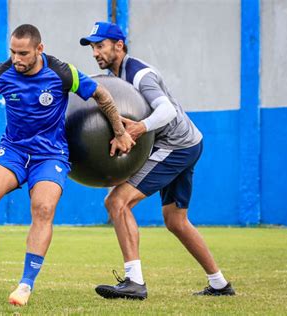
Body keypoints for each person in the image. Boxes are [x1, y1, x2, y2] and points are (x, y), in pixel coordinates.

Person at [0, 24, 135, 306]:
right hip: (13, 150)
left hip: (50, 154)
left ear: (39, 49)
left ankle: (25, 284)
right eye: (13, 52)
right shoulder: (0, 73)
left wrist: (119, 131)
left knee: (43, 209)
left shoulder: (62, 72)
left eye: (23, 53)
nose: (17, 59)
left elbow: (102, 95)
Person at [80, 22, 235, 299]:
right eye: (92, 47)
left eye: (100, 45)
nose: (95, 52)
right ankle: (220, 284)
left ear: (119, 45)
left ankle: (134, 283)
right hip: (187, 142)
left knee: (117, 201)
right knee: (176, 221)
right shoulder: (114, 78)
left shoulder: (140, 75)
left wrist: (140, 127)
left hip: (175, 145)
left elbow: (166, 112)